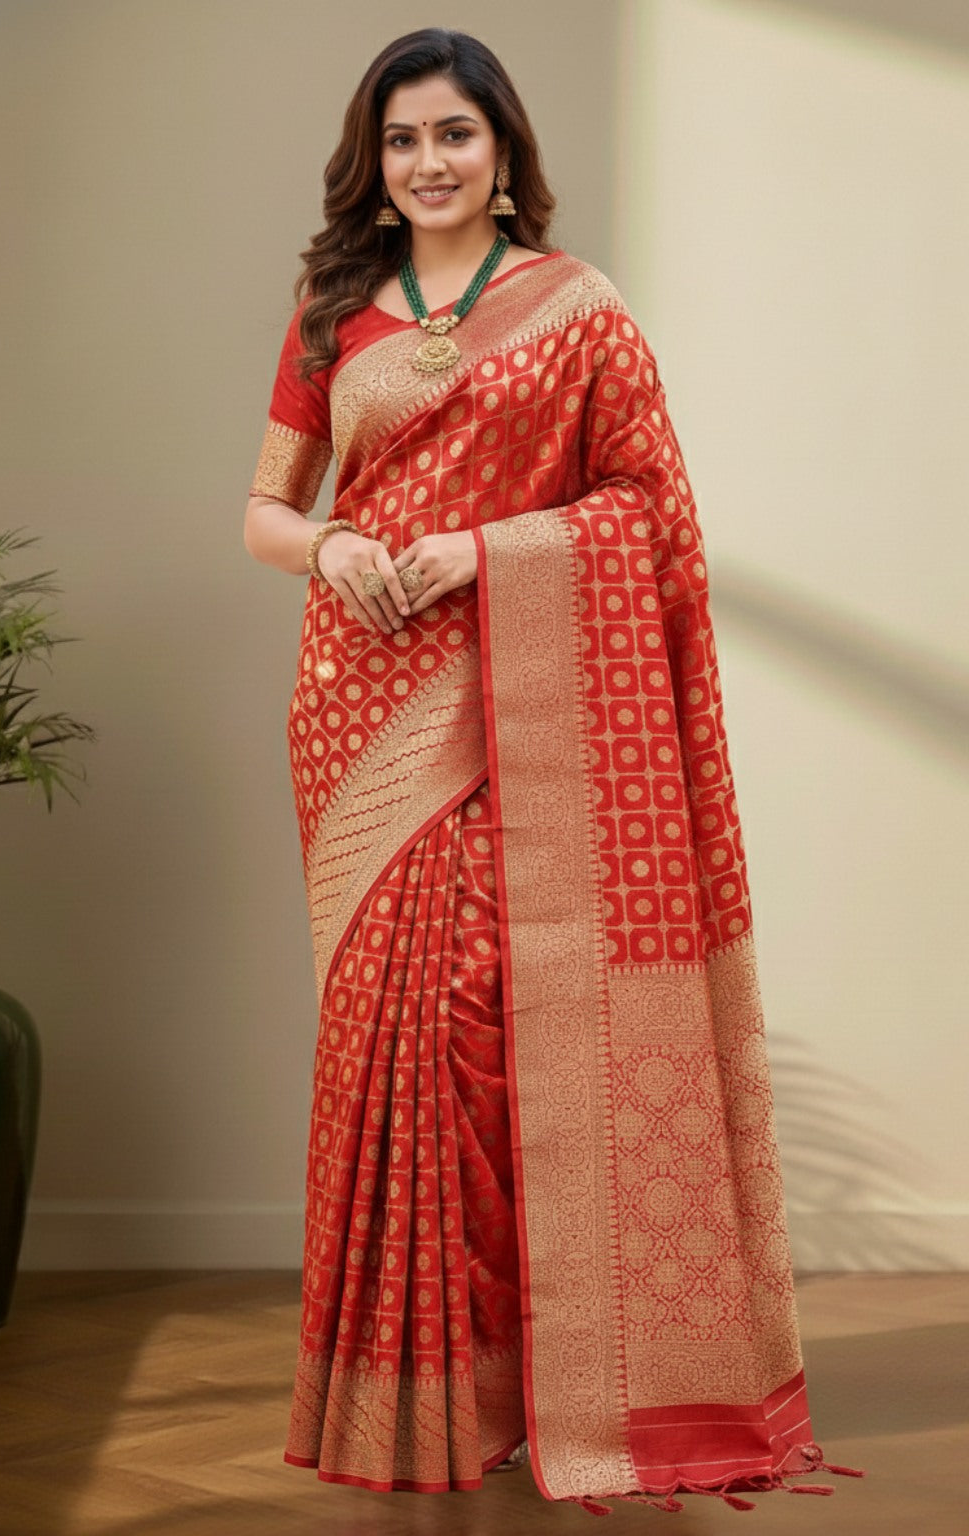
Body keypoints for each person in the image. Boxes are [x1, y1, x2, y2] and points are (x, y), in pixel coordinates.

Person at [243, 27, 865, 1517]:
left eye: (455, 135)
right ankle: (416, 1403)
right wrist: (335, 544)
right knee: (390, 1050)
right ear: (374, 165)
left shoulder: (579, 315)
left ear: (506, 152)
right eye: (402, 141)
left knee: (489, 1038)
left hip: (519, 702)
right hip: (360, 710)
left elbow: (651, 514)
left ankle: (542, 1388)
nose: (429, 163)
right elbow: (263, 509)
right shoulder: (335, 310)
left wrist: (479, 551)